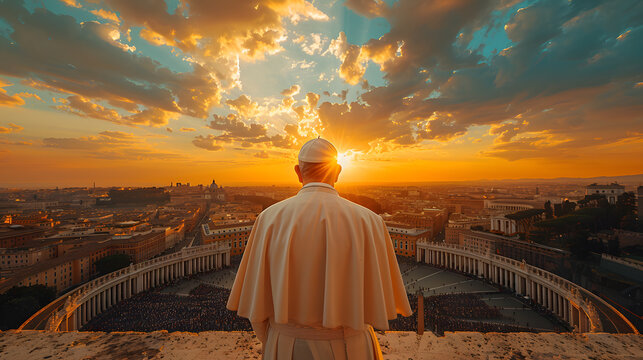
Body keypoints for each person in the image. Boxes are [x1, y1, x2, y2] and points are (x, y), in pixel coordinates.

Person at [227, 137, 412, 359]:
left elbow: (257, 309)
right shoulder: (370, 220)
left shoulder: (268, 219)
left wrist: (277, 340)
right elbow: (380, 298)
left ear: (298, 172)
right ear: (338, 171)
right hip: (353, 349)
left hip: (287, 347)